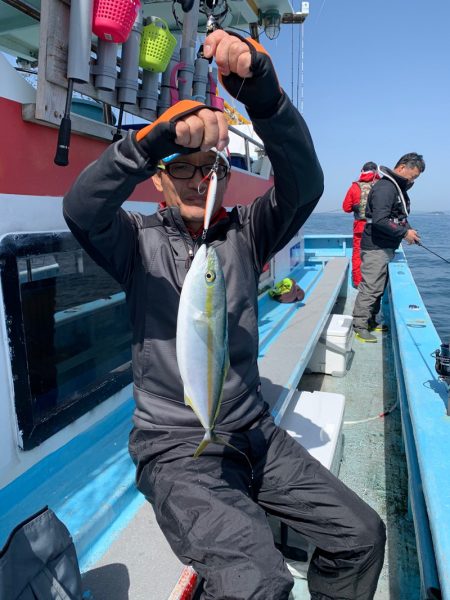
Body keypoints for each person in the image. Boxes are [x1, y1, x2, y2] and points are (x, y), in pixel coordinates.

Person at [64, 30, 386, 600]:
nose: (196, 180)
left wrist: (264, 99)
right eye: (181, 169)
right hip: (174, 448)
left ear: (223, 175)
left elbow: (305, 182)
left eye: (208, 168)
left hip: (252, 429)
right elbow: (82, 209)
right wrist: (145, 144)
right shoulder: (134, 245)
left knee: (361, 534)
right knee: (255, 584)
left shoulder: (247, 233)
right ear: (159, 181)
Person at [353, 153, 425, 342]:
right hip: (375, 247)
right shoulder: (385, 188)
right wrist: (403, 234)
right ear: (402, 167)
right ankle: (359, 326)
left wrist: (409, 231)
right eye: (414, 175)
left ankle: (370, 321)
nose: (413, 180)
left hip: (385, 246)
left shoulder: (394, 188)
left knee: (379, 286)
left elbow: (398, 216)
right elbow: (380, 220)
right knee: (370, 288)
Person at [342, 161, 379, 287]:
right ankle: (373, 283)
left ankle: (358, 282)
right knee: (376, 254)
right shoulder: (381, 185)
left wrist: (356, 207)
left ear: (362, 171)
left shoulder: (355, 187)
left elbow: (346, 208)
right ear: (376, 172)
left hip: (360, 227)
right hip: (378, 228)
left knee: (357, 254)